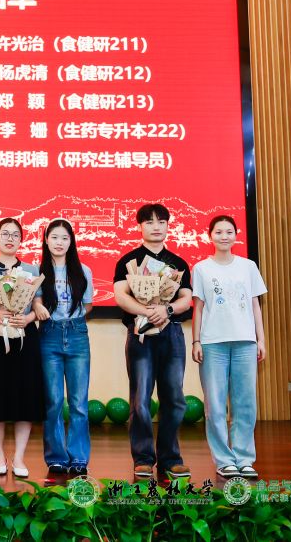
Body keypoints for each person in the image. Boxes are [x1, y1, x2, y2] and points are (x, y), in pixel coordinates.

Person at [113, 203, 194, 480]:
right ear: (140, 226)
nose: (156, 226)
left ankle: (171, 459)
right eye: (149, 222)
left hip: (172, 335)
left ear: (168, 226)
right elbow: (120, 295)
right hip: (140, 335)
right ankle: (143, 459)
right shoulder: (128, 261)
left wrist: (166, 310)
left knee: (175, 399)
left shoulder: (178, 263)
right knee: (140, 400)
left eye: (161, 221)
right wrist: (147, 312)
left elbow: (186, 298)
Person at [191, 215, 267, 479]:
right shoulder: (201, 268)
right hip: (213, 343)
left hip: (245, 341)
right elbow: (198, 307)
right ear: (210, 235)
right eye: (219, 232)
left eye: (229, 232)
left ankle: (244, 458)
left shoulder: (248, 266)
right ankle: (224, 460)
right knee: (214, 405)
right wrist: (196, 341)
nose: (224, 236)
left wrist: (260, 339)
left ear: (236, 235)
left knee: (245, 403)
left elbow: (255, 305)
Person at [0, 217, 46, 478]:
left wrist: (29, 318)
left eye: (15, 234)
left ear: (21, 240)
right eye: (5, 233)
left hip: (25, 336)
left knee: (26, 395)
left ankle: (20, 457)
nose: (10, 238)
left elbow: (38, 305)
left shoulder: (32, 270)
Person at [33, 219, 94, 476]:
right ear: (46, 240)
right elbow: (34, 303)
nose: (59, 242)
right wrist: (39, 307)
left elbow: (88, 305)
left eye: (65, 238)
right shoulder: (38, 271)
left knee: (79, 402)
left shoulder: (83, 271)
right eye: (54, 237)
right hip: (49, 335)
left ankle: (79, 457)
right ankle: (56, 457)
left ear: (72, 242)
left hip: (77, 334)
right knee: (53, 401)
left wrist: (72, 318)